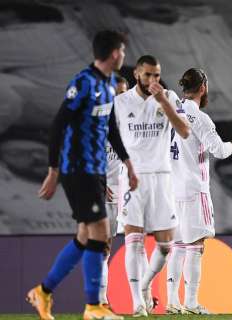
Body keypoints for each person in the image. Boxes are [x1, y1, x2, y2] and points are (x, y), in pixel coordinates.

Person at [28, 30, 137, 320]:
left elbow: (110, 128)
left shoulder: (110, 83)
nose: (124, 55)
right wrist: (53, 171)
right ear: (114, 53)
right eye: (122, 51)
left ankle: (43, 291)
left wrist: (127, 163)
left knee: (85, 236)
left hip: (96, 171)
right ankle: (93, 306)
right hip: (77, 169)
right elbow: (58, 125)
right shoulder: (83, 82)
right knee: (100, 231)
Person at [165, 68, 232, 314]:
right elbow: (221, 151)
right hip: (194, 188)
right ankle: (191, 303)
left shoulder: (171, 112)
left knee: (179, 245)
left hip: (173, 188)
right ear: (203, 88)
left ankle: (172, 301)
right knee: (195, 246)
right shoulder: (200, 118)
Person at [114, 55, 190, 316]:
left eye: (156, 75)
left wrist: (163, 102)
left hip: (162, 177)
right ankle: (137, 303)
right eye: (147, 75)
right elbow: (106, 139)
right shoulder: (121, 102)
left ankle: (145, 286)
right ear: (137, 74)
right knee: (133, 240)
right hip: (133, 177)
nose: (153, 80)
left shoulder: (168, 97)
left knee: (166, 245)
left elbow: (184, 131)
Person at [99, 75, 130, 309]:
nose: (120, 98)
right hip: (107, 193)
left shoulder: (132, 122)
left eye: (123, 93)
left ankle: (144, 298)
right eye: (115, 93)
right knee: (103, 248)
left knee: (138, 244)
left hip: (130, 195)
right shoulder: (99, 124)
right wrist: (100, 182)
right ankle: (100, 299)